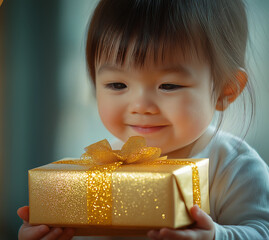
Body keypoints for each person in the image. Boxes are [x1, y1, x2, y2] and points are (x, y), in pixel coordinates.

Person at [18, 0, 269, 239]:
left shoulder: (233, 166)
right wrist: (50, 230)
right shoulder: (106, 161)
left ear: (227, 89)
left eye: (168, 85)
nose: (140, 106)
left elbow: (263, 230)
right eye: (117, 84)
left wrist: (217, 235)